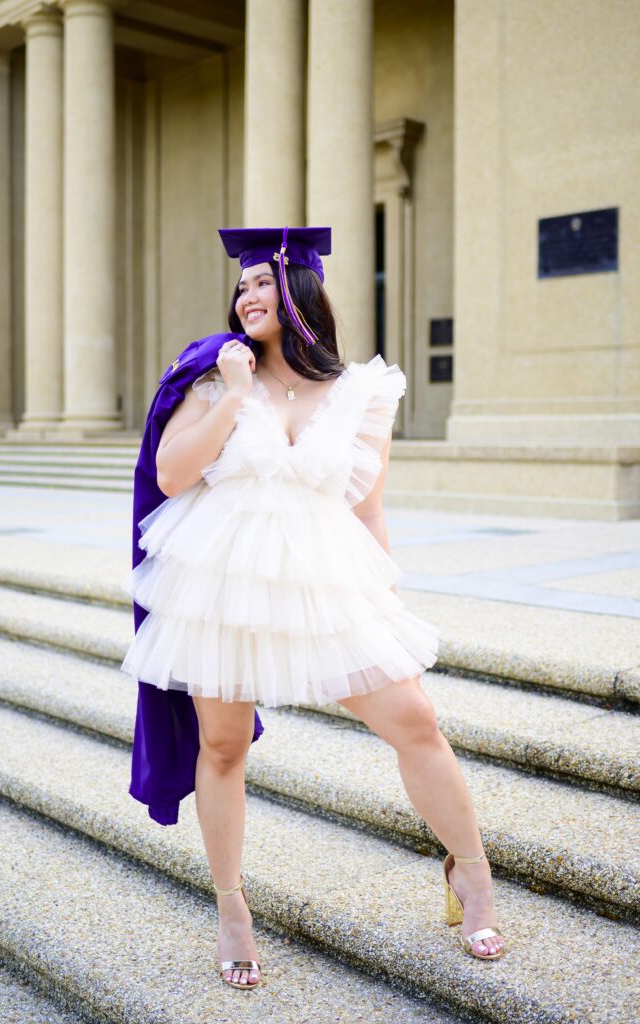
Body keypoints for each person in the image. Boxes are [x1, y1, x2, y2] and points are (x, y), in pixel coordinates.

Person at [121, 225, 507, 991]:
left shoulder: (362, 393)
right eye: (241, 287)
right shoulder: (210, 376)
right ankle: (232, 909)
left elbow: (366, 506)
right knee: (223, 748)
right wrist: (233, 397)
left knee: (415, 719)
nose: (247, 296)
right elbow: (168, 474)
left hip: (326, 577)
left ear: (300, 290)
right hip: (223, 580)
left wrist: (383, 591)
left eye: (262, 282)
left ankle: (471, 874)